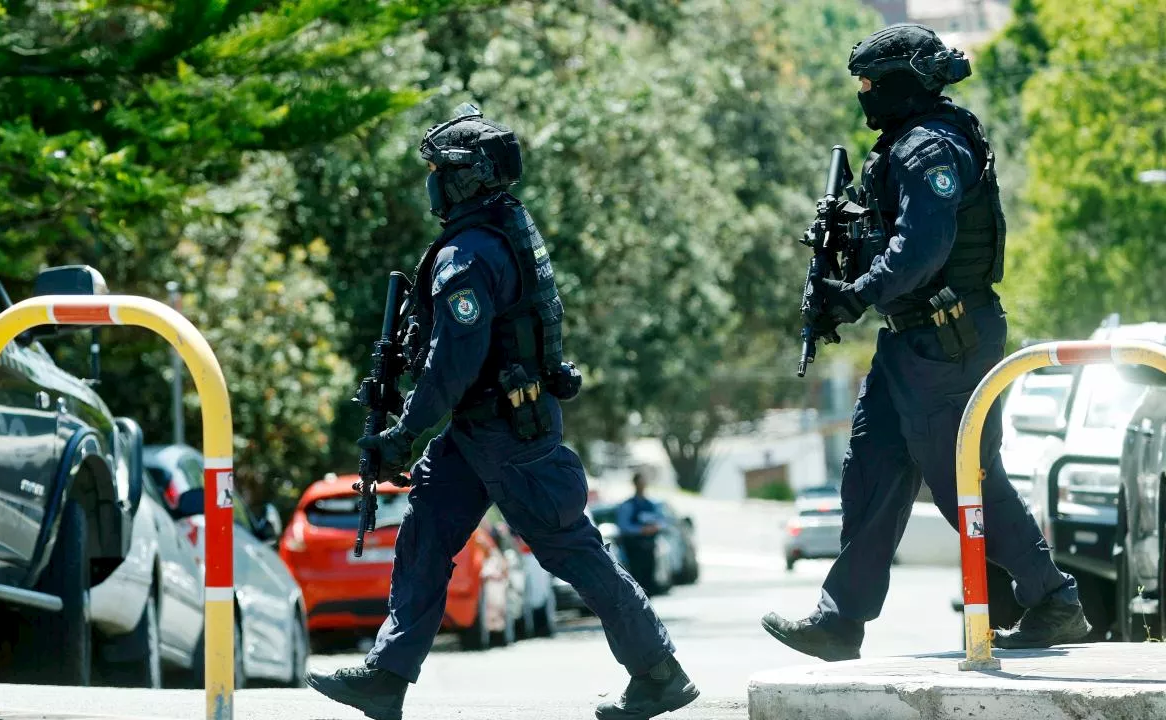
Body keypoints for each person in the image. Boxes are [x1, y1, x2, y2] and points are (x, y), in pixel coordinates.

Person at [304, 104, 699, 720]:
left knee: (571, 551)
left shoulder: (470, 255)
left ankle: (658, 671)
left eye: (438, 169)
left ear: (464, 178)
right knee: (426, 535)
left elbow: (452, 361)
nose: (430, 180)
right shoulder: (499, 229)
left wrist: (405, 432)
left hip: (508, 432)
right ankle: (387, 676)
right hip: (478, 429)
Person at [761, 24, 1090, 662]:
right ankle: (840, 621)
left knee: (961, 477)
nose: (863, 95)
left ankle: (1053, 599)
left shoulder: (929, 148)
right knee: (872, 468)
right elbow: (888, 240)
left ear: (903, 83)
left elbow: (922, 248)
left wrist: (856, 293)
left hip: (950, 340)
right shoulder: (903, 145)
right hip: (911, 343)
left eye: (871, 84)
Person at [616, 471, 667, 593]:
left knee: (649, 579)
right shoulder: (628, 505)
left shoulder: (651, 504)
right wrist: (641, 530)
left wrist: (656, 527)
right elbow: (624, 526)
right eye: (640, 483)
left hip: (649, 547)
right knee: (637, 579)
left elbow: (662, 521)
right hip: (634, 548)